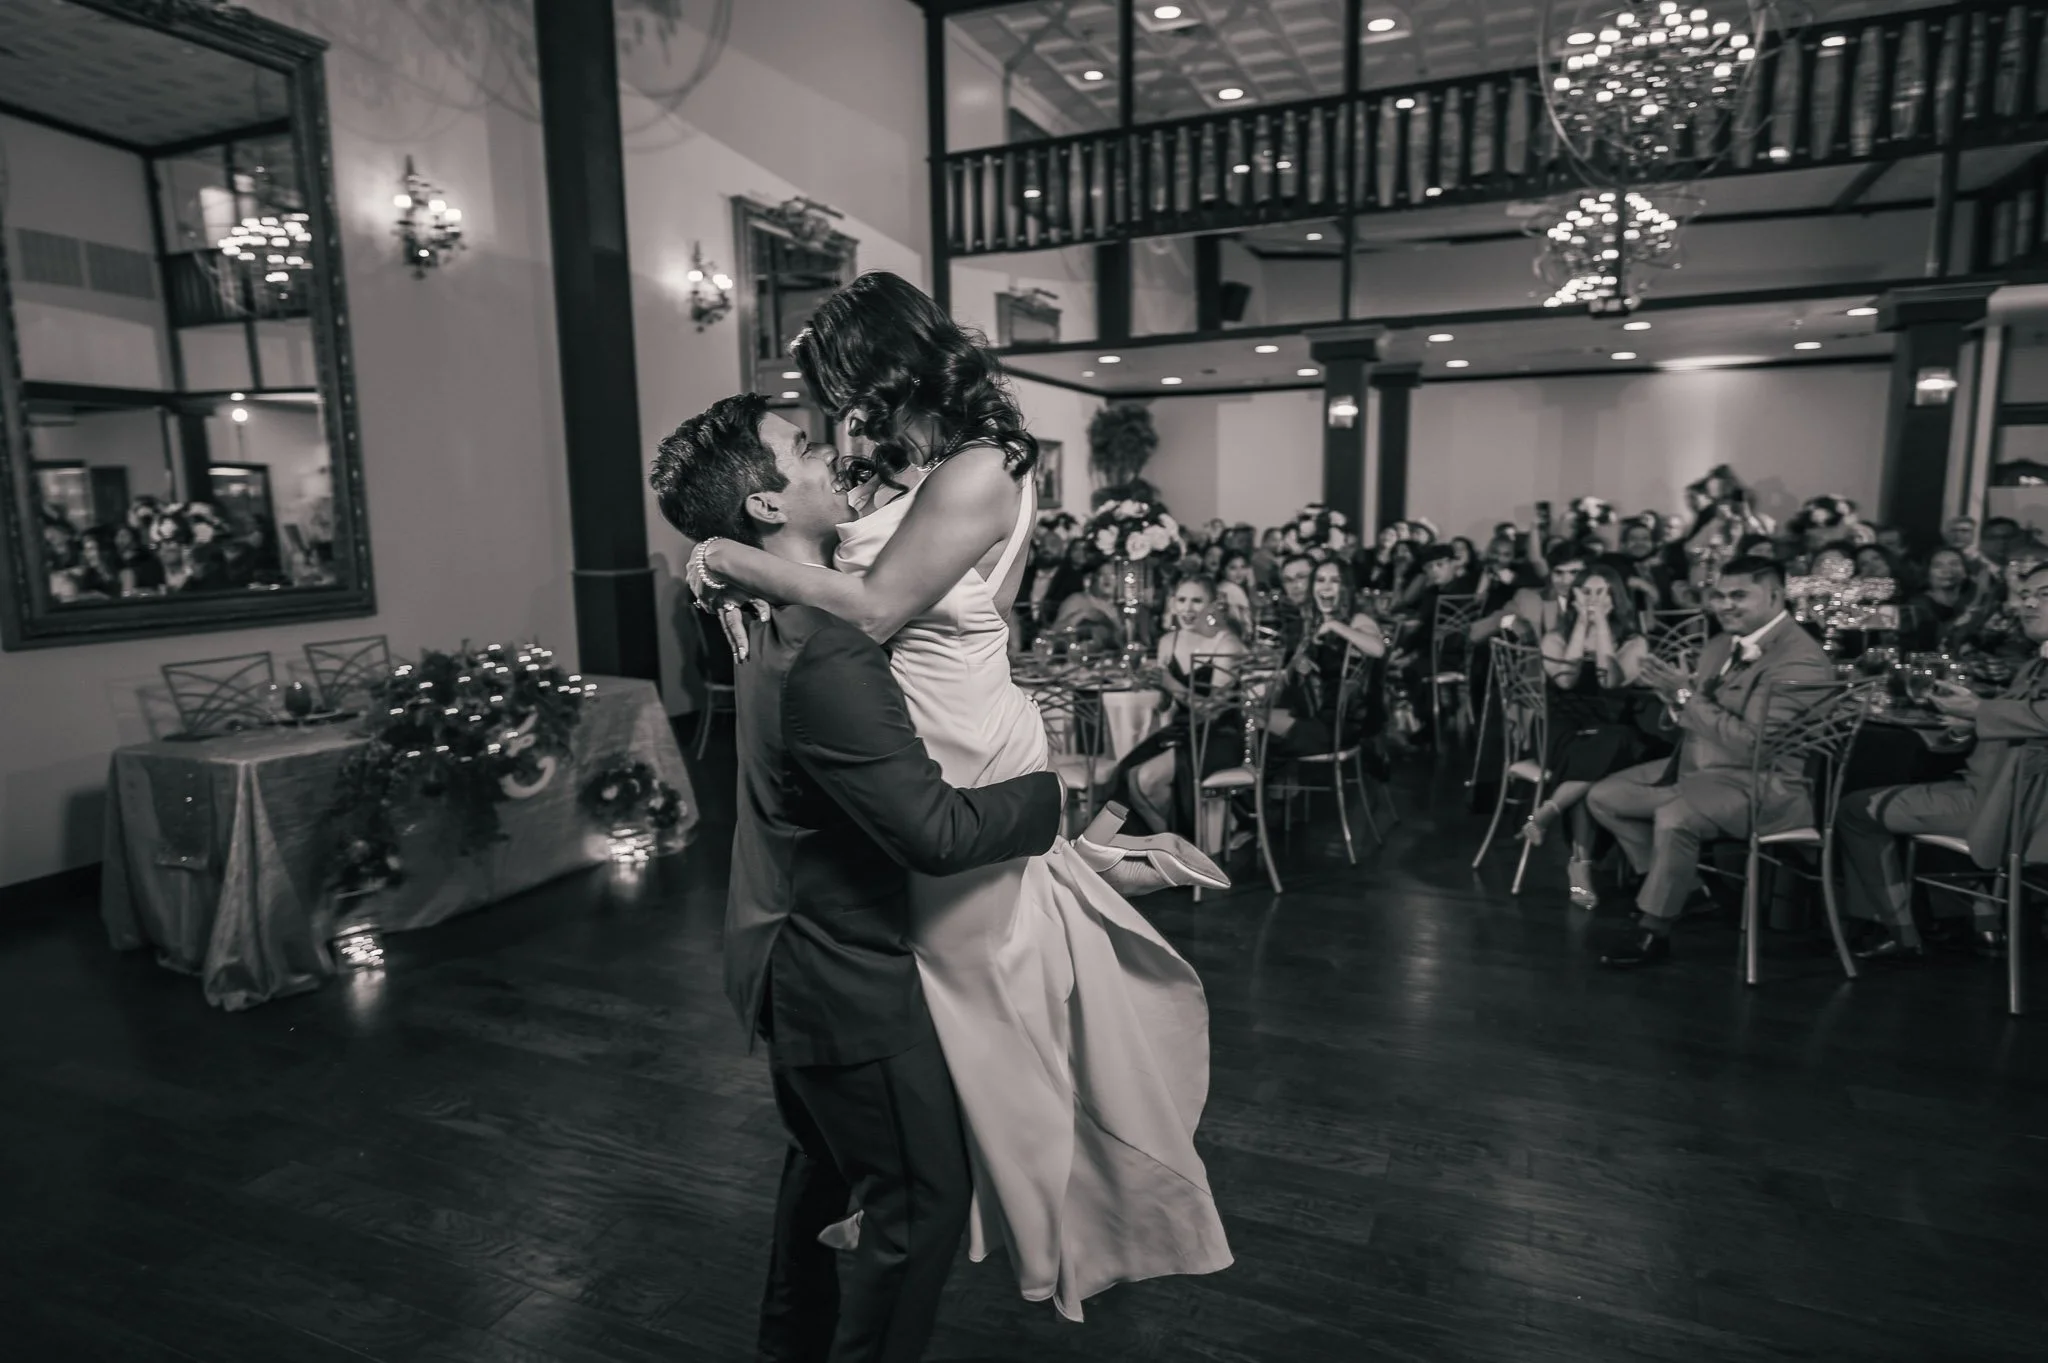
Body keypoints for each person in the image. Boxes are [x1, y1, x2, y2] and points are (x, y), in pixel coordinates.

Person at [672, 273, 1231, 1321]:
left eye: (840, 389)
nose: (837, 418)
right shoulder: (902, 462)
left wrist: (728, 556)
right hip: (915, 719)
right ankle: (918, 1169)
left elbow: (877, 606)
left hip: (954, 732)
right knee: (958, 988)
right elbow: (964, 607)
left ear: (885, 367)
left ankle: (987, 1186)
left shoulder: (982, 464)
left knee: (974, 981)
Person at [655, 396, 1067, 1360]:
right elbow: (935, 831)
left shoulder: (765, 611)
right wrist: (1049, 795)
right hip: (840, 979)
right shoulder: (827, 646)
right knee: (921, 1203)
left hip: (780, 950)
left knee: (821, 1172)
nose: (831, 458)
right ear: (765, 505)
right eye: (801, 449)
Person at [1588, 556, 1836, 968]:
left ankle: (1654, 928)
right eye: (1718, 596)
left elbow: (1753, 746)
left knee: (1676, 816)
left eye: (1739, 595)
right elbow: (1695, 718)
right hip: (1701, 769)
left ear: (1775, 596)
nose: (1724, 605)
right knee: (1605, 797)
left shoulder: (1799, 660)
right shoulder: (1721, 643)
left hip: (1764, 785)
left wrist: (1685, 697)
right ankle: (1687, 892)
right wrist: (1672, 697)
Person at [1834, 559, 2048, 961]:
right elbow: (2016, 727)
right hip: (1993, 791)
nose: (2030, 604)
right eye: (2026, 595)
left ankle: (1895, 930)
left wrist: (1979, 711)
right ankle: (1978, 922)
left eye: (2045, 595)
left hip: (2009, 807)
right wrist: (1965, 725)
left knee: (1854, 809)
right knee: (1913, 782)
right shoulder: (2037, 663)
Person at [1520, 562, 1661, 907]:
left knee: (1605, 747)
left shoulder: (1634, 641)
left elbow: (1609, 681)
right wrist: (1583, 625)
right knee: (1595, 756)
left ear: (1616, 597)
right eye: (1586, 592)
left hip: (1611, 728)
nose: (1593, 599)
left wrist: (1601, 631)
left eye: (1602, 592)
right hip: (1559, 729)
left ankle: (1551, 820)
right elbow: (1566, 681)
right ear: (1574, 596)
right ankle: (1577, 861)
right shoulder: (1555, 637)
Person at [1118, 576, 1248, 835]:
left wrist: (1171, 683)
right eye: (1182, 600)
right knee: (1126, 774)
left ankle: (1177, 843)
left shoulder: (1226, 643)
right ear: (1173, 603)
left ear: (1213, 605)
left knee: (1146, 779)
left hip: (1218, 735)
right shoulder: (1169, 641)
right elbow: (1166, 704)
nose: (1187, 609)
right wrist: (1154, 686)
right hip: (1182, 730)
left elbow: (1212, 710)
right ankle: (1169, 842)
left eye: (1197, 601)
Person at [1270, 559, 1386, 763]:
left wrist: (1335, 625)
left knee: (1251, 729)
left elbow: (1378, 649)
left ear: (1346, 587)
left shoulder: (1357, 619)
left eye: (1335, 580)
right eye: (1320, 580)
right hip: (1316, 718)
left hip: (1338, 729)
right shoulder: (1315, 623)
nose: (1326, 586)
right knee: (1248, 720)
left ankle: (1265, 779)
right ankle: (1273, 780)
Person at [1900, 546, 1976, 652]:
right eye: (1938, 566)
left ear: (1965, 572)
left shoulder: (1971, 601)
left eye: (1954, 564)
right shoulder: (1917, 607)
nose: (1947, 570)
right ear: (1928, 573)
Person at [1217, 549, 1258, 637]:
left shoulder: (1221, 587)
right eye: (1233, 568)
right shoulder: (1232, 590)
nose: (1239, 572)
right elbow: (1246, 626)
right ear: (1223, 570)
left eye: (1243, 567)